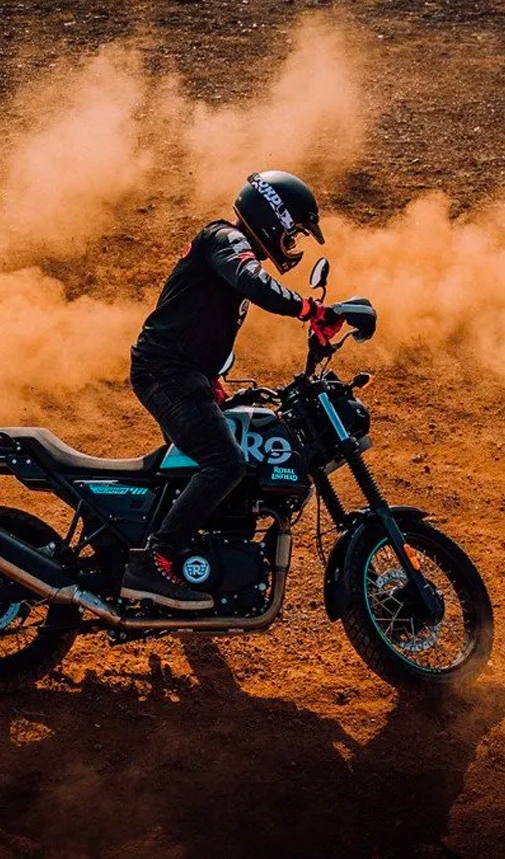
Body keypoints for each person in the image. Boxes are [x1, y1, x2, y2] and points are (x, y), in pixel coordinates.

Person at [124, 171, 343, 610]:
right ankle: (153, 561)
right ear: (273, 219)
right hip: (164, 374)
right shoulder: (225, 240)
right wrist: (307, 308)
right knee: (223, 463)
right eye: (293, 231)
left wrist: (212, 380)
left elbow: (198, 324)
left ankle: (188, 563)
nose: (293, 242)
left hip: (181, 375)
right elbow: (248, 279)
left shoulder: (229, 250)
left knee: (201, 467)